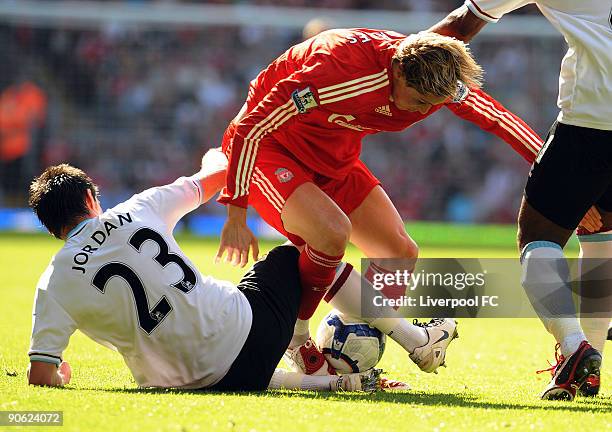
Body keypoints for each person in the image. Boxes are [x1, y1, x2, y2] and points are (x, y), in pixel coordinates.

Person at [215, 28, 547, 374]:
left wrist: (555, 178)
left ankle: (350, 360)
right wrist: (236, 214)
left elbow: (499, 119)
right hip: (272, 150)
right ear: (398, 73)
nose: (425, 112)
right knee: (330, 234)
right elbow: (250, 127)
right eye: (420, 102)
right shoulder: (335, 74)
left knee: (399, 252)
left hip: (334, 155)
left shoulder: (437, 80)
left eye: (434, 106)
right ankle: (296, 336)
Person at [25, 152, 380, 392]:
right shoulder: (138, 209)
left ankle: (316, 381)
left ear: (52, 227)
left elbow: (40, 375)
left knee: (209, 361)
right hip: (256, 335)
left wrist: (60, 376)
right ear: (90, 199)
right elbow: (217, 175)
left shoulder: (54, 282)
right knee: (304, 249)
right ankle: (402, 336)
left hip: (189, 383)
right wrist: (217, 153)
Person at [429, 1, 611, 400]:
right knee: (603, 238)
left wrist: (393, 55)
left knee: (537, 239)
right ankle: (586, 369)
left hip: (593, 122)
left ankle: (575, 348)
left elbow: (462, 23)